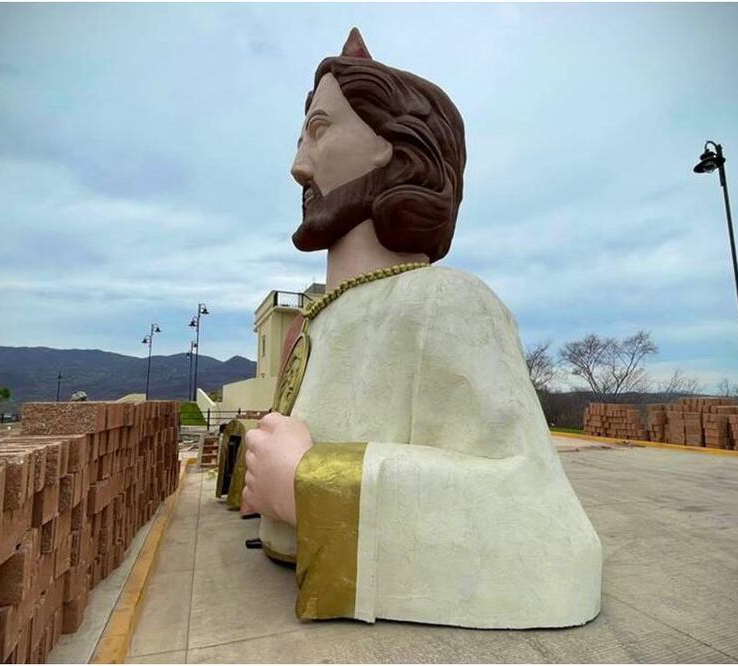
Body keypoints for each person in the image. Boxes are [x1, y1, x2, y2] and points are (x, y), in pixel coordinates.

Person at [241, 28, 602, 629]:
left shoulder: (446, 303)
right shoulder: (314, 328)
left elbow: (549, 531)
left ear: (391, 146)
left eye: (321, 130)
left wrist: (313, 483)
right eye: (301, 138)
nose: (298, 167)